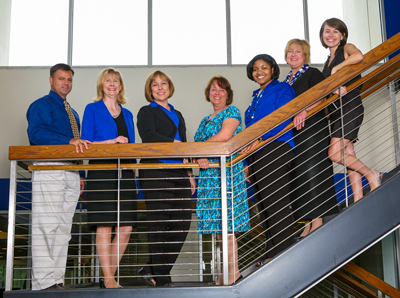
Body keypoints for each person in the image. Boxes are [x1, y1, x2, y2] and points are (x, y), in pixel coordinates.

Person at [26, 63, 91, 290]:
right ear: (51, 80)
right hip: (49, 167)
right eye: (61, 78)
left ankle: (56, 279)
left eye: (69, 80)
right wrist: (68, 142)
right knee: (47, 224)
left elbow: (79, 146)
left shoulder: (72, 112)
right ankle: (42, 283)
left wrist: (80, 173)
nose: (66, 83)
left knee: (64, 228)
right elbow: (36, 133)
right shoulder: (40, 105)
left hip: (71, 171)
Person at [137, 70, 196, 287]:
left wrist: (189, 173)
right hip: (155, 171)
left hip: (179, 172)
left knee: (183, 223)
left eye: (163, 83)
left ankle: (153, 268)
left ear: (169, 87)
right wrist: (177, 145)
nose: (160, 87)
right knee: (159, 224)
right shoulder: (146, 111)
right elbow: (149, 137)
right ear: (150, 90)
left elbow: (186, 144)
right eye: (155, 85)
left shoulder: (177, 114)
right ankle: (161, 277)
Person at [81, 68, 137, 289]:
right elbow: (85, 144)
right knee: (104, 226)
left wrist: (133, 172)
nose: (112, 84)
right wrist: (111, 142)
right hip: (101, 172)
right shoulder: (92, 109)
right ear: (101, 85)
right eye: (108, 81)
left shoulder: (129, 114)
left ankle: (108, 278)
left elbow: (131, 147)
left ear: (121, 86)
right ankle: (110, 280)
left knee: (126, 228)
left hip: (125, 174)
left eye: (116, 81)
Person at [194, 76, 250, 285]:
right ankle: (227, 272)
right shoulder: (204, 120)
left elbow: (225, 135)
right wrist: (199, 154)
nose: (216, 93)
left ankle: (233, 272)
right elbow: (195, 148)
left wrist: (200, 151)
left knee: (226, 226)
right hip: (209, 177)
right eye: (213, 90)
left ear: (228, 94)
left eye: (221, 90)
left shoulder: (232, 112)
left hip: (226, 174)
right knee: (219, 228)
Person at [240, 54, 295, 266]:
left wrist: (262, 139)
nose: (259, 71)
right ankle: (271, 250)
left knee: (275, 201)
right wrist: (246, 163)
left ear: (273, 69)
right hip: (256, 155)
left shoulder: (282, 89)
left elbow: (284, 118)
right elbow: (247, 136)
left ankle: (282, 251)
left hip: (275, 147)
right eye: (255, 68)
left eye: (264, 67)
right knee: (263, 205)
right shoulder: (256, 97)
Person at [321, 18, 381, 202]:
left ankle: (372, 174)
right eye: (327, 31)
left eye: (335, 31)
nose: (330, 35)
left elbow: (359, 57)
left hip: (350, 106)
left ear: (342, 35)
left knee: (333, 154)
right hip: (336, 111)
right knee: (348, 155)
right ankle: (358, 199)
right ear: (322, 36)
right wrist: (333, 88)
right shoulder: (325, 63)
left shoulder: (346, 49)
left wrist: (338, 69)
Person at [284, 39, 340, 238]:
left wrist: (304, 111)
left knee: (313, 171)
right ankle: (307, 221)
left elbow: (323, 97)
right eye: (290, 51)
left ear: (305, 55)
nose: (293, 54)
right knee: (300, 176)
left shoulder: (312, 73)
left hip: (313, 129)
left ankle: (317, 220)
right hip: (295, 134)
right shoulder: (286, 81)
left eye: (298, 51)